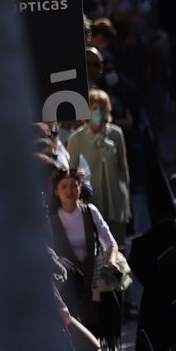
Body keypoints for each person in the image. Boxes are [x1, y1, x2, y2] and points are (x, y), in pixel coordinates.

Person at [46, 166, 121, 351]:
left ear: (80, 187)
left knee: (92, 341)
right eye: (64, 187)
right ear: (57, 192)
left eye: (73, 185)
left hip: (93, 282)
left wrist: (111, 263)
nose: (69, 191)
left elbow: (110, 243)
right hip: (70, 288)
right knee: (79, 344)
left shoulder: (90, 212)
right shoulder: (51, 221)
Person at [66, 87, 133, 248]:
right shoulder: (76, 139)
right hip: (92, 203)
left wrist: (125, 202)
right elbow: (71, 171)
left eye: (101, 108)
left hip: (116, 203)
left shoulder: (116, 134)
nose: (98, 112)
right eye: (94, 108)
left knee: (119, 249)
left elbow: (124, 171)